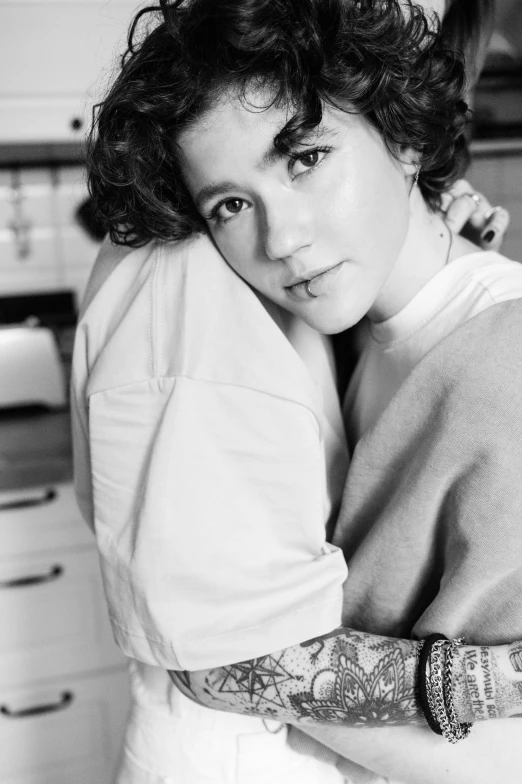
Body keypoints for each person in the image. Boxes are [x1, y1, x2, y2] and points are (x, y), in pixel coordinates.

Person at [71, 0, 519, 782]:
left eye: (305, 157)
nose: (280, 239)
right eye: (233, 205)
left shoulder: (500, 366)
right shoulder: (330, 325)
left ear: (406, 137)